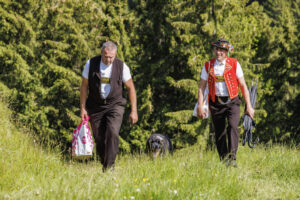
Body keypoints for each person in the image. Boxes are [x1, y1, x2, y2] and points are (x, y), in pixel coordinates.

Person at [80, 41, 138, 172]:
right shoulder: (91, 64)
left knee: (112, 132)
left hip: (115, 104)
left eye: (111, 57)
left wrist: (134, 111)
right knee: (99, 138)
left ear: (115, 55)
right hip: (95, 106)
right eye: (106, 56)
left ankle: (110, 167)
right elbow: (84, 86)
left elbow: (130, 88)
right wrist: (83, 108)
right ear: (102, 53)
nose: (109, 59)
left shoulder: (122, 66)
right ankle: (105, 163)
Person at [197, 38, 254, 167]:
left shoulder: (234, 64)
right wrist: (200, 105)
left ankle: (232, 157)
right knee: (219, 132)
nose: (219, 52)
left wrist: (249, 106)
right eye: (217, 49)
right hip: (215, 103)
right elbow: (201, 87)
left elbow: (243, 85)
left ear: (227, 51)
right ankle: (224, 161)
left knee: (233, 127)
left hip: (232, 101)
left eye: (222, 50)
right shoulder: (208, 65)